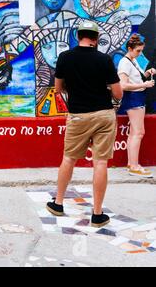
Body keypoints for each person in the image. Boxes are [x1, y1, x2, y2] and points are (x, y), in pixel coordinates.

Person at [46, 21, 123, 228]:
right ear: (96, 39)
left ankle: (58, 204)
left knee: (69, 158)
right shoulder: (105, 59)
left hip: (78, 115)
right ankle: (97, 215)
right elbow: (118, 93)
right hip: (104, 115)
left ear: (78, 36)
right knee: (100, 163)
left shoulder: (65, 57)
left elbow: (58, 88)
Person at [117, 34, 155, 177]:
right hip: (134, 98)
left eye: (141, 51)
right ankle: (134, 165)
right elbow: (123, 85)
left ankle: (132, 164)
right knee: (138, 133)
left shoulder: (132, 60)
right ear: (129, 48)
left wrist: (147, 73)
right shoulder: (125, 62)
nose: (140, 53)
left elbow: (135, 78)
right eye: (138, 51)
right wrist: (144, 84)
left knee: (135, 133)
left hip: (137, 97)